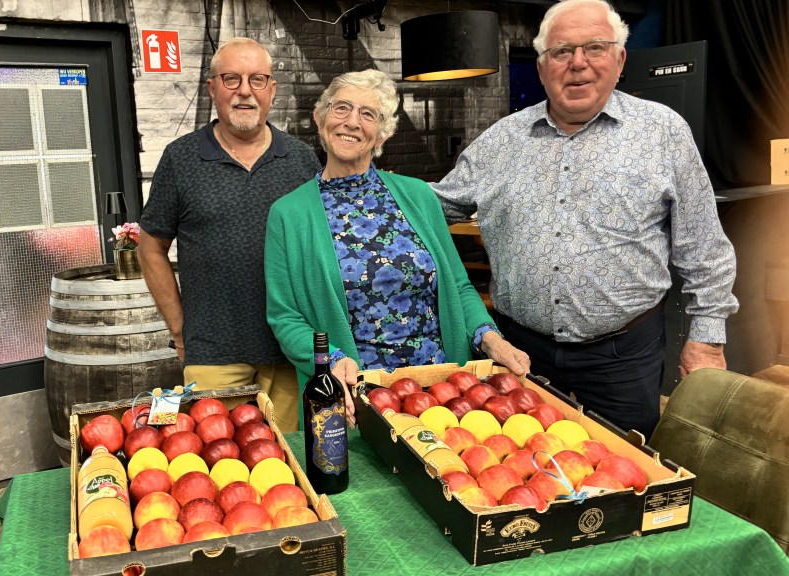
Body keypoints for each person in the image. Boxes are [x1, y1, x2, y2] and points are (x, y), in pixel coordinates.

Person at [430, 0, 738, 437]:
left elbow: (703, 246)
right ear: (542, 67)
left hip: (623, 357)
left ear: (620, 60)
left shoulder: (663, 132)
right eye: (561, 51)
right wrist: (362, 182)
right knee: (520, 461)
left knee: (624, 466)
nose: (578, 63)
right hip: (519, 352)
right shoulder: (501, 141)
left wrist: (706, 337)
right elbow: (435, 205)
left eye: (595, 47)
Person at [265, 69, 531, 425]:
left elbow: (458, 287)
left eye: (368, 114)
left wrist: (490, 338)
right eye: (341, 108)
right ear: (320, 117)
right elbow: (285, 318)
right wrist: (331, 361)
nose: (352, 122)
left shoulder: (419, 196)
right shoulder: (288, 214)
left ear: (383, 133)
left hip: (444, 392)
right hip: (356, 396)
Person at [137, 37, 320, 432]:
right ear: (212, 87)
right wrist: (179, 330)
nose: (244, 91)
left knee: (290, 456)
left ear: (272, 89)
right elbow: (150, 247)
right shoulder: (181, 158)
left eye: (257, 80)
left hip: (290, 349)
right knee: (217, 456)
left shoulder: (302, 159)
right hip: (212, 351)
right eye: (231, 79)